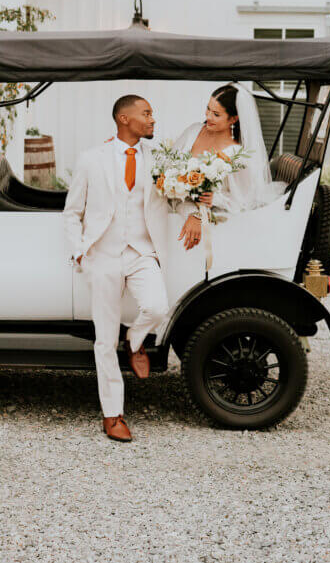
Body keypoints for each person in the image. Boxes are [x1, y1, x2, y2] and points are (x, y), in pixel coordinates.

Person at [61, 95, 170, 443]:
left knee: (157, 307)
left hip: (141, 251)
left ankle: (135, 340)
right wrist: (80, 251)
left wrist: (200, 207)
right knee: (103, 339)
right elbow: (72, 212)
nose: (153, 120)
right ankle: (113, 414)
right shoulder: (91, 159)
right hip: (103, 255)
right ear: (124, 118)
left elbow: (182, 193)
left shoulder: (160, 159)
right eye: (146, 114)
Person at [175, 83, 286, 250]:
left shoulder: (238, 156)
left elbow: (245, 201)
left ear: (233, 119)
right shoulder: (193, 131)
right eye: (208, 109)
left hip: (205, 228)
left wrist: (214, 198)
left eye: (216, 114)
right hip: (172, 207)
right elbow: (170, 165)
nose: (208, 116)